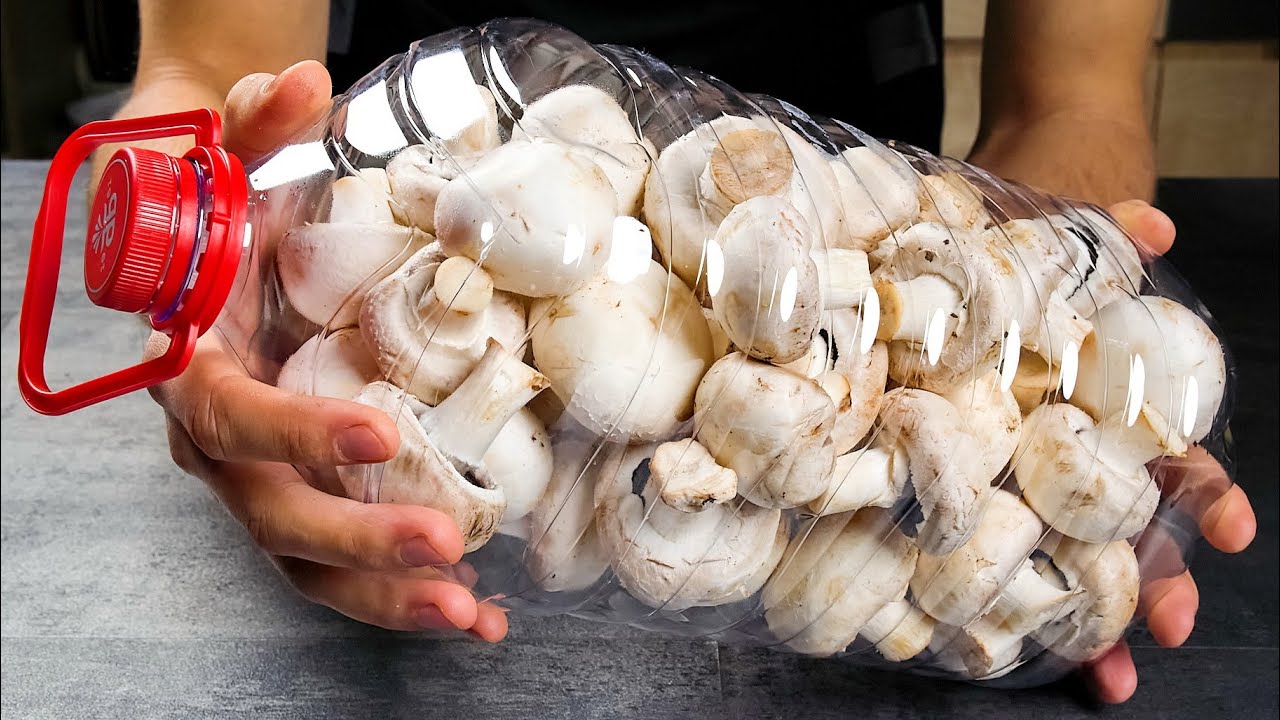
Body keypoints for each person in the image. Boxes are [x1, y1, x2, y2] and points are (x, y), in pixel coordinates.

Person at [98, 0, 1257, 705]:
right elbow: (203, 67)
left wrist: (1053, 259)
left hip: (859, 198)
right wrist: (185, 222)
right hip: (487, 144)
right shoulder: (468, 219)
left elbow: (1076, 93)